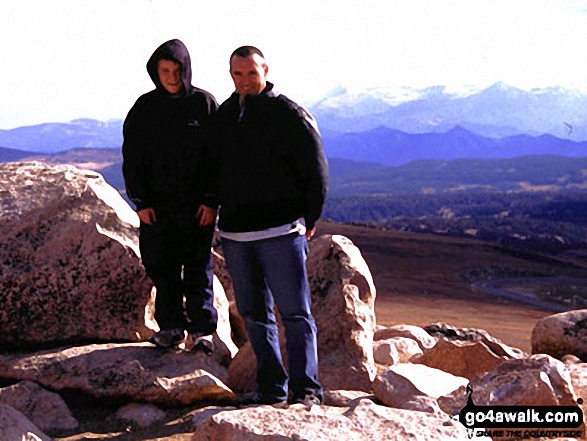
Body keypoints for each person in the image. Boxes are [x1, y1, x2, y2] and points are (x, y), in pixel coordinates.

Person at [210, 46, 329, 405]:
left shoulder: (288, 113)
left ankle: (306, 390)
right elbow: (211, 167)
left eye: (251, 73)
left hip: (281, 232)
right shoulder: (226, 114)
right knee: (254, 316)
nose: (244, 81)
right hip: (235, 234)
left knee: (295, 313)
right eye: (237, 74)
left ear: (265, 70)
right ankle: (271, 388)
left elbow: (316, 169)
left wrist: (311, 217)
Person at [122, 39, 218, 352]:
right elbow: (132, 158)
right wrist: (141, 202)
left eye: (177, 70)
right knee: (162, 269)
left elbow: (218, 157)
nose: (172, 77)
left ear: (186, 70)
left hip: (196, 206)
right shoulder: (144, 109)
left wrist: (211, 199)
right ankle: (172, 327)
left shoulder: (204, 105)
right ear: (156, 72)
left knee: (197, 268)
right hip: (157, 207)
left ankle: (203, 332)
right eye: (165, 70)